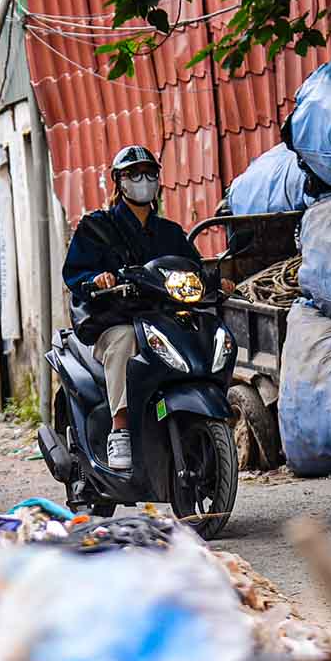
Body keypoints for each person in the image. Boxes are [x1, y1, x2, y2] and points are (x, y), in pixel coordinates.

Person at [63, 145, 235, 471]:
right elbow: (75, 272)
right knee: (125, 340)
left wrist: (216, 283)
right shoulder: (97, 228)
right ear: (118, 182)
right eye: (132, 174)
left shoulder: (170, 233)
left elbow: (192, 269)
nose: (142, 180)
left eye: (149, 173)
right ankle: (121, 427)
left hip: (162, 319)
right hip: (114, 320)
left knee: (207, 331)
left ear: (158, 180)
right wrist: (97, 279)